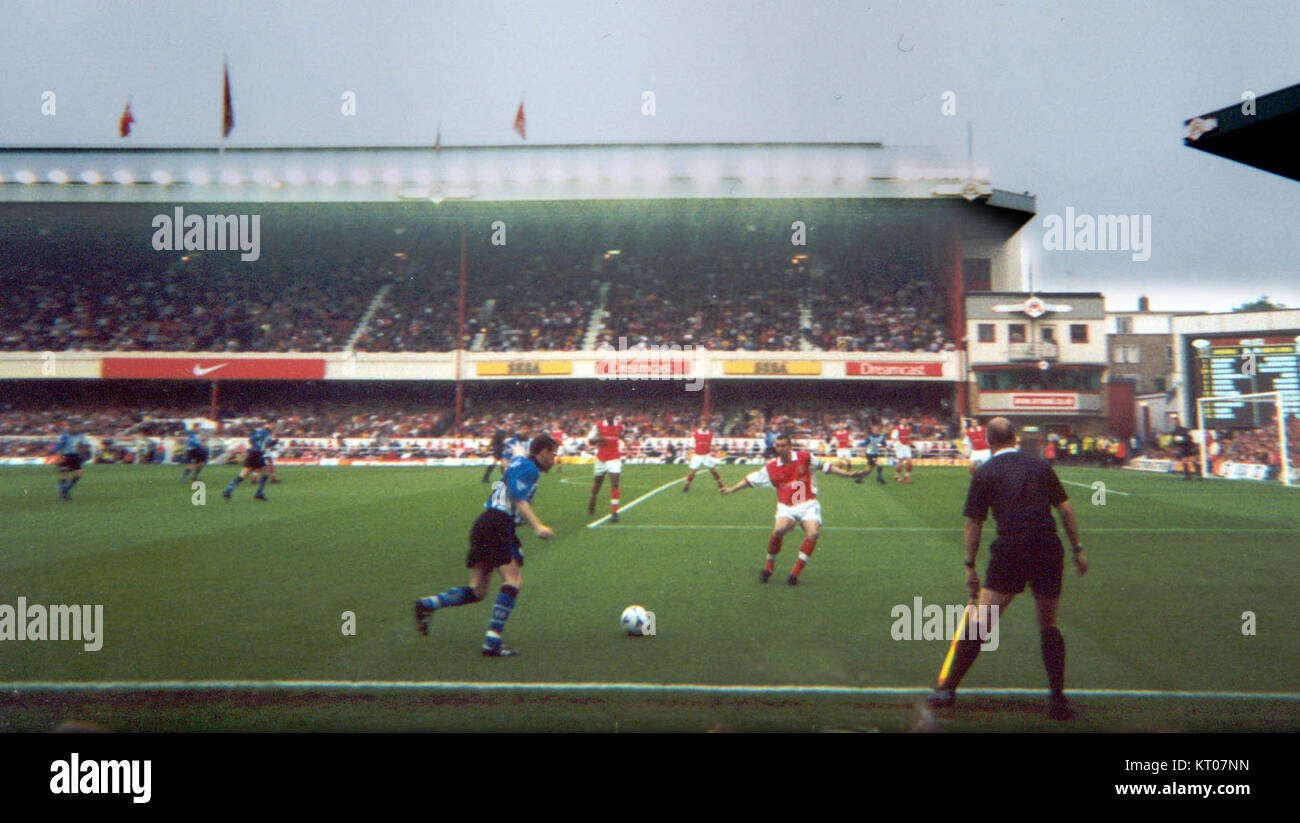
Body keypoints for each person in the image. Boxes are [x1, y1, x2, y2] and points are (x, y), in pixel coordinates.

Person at [926, 417, 1089, 721]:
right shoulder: (1039, 465)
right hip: (1047, 547)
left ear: (988, 442)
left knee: (982, 622)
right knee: (1048, 623)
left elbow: (974, 523)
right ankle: (1058, 700)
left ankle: (947, 689)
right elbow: (1065, 509)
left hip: (1012, 548)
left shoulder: (985, 471)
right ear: (1015, 438)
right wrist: (1077, 550)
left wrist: (969, 567)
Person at [412, 434, 557, 657]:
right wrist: (537, 526)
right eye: (553, 453)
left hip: (483, 523)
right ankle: (492, 642)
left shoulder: (520, 462)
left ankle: (427, 604)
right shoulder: (530, 469)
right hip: (499, 524)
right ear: (543, 452)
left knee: (477, 590)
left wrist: (515, 453)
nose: (554, 459)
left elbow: (508, 462)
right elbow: (519, 499)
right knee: (513, 580)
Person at [719, 434, 867, 586]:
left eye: (783, 445)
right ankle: (769, 566)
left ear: (790, 447)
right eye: (778, 446)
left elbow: (826, 466)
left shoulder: (805, 458)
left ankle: (794, 574)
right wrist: (731, 489)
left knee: (813, 533)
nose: (780, 448)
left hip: (807, 504)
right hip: (786, 507)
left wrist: (849, 474)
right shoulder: (771, 467)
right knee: (778, 531)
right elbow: (750, 480)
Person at [222, 423, 275, 501]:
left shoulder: (261, 434)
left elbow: (260, 441)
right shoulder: (263, 433)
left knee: (263, 474)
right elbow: (255, 440)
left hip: (255, 455)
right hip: (255, 455)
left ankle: (228, 491)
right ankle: (257, 493)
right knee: (248, 475)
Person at [587, 413, 624, 522]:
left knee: (615, 482)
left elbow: (619, 435)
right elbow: (590, 441)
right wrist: (599, 440)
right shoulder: (598, 426)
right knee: (598, 483)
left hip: (614, 457)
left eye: (611, 415)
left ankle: (614, 512)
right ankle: (592, 499)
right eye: (608, 415)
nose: (610, 417)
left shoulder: (619, 426)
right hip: (601, 458)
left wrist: (625, 441)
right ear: (605, 416)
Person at [683, 418, 725, 493]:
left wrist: (716, 450)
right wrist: (689, 454)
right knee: (692, 472)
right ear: (700, 425)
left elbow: (714, 445)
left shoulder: (710, 434)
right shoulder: (696, 433)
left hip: (706, 456)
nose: (703, 425)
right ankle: (686, 485)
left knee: (713, 471)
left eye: (705, 424)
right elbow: (690, 445)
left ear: (707, 425)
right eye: (702, 424)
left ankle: (720, 485)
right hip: (697, 455)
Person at [51, 430, 88, 501]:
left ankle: (65, 490)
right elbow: (59, 445)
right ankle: (62, 494)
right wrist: (53, 452)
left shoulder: (81, 436)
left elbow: (83, 445)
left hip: (75, 456)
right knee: (64, 474)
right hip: (65, 456)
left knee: (78, 474)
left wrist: (83, 452)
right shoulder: (64, 436)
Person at [890, 418, 915, 483]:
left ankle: (906, 475)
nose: (904, 422)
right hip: (900, 447)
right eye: (903, 421)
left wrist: (910, 443)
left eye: (905, 421)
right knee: (900, 461)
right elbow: (893, 438)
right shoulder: (897, 429)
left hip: (906, 446)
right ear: (900, 422)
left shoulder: (908, 429)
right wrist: (898, 444)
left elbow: (907, 437)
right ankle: (897, 476)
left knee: (909, 461)